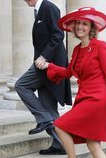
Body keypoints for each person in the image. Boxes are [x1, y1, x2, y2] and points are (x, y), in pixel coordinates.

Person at [40, 7, 106, 158]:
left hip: (97, 99)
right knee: (93, 144)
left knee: (60, 126)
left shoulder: (100, 46)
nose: (80, 27)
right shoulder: (77, 49)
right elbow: (69, 72)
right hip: (83, 97)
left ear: (91, 28)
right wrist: (50, 66)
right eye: (78, 23)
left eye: (85, 24)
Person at [15, 0, 72, 155]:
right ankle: (60, 144)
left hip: (49, 64)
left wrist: (44, 57)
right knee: (48, 106)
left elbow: (58, 35)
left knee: (21, 85)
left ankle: (44, 118)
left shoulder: (49, 7)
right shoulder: (40, 10)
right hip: (44, 64)